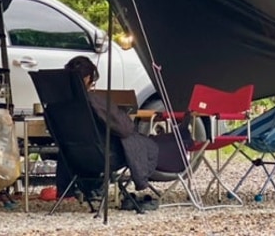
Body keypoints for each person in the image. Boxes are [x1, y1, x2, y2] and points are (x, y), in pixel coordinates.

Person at [55, 55, 194, 198]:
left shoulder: (57, 103)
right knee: (148, 145)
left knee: (146, 143)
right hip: (107, 157)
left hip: (74, 157)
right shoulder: (95, 101)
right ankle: (181, 144)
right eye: (93, 80)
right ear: (87, 78)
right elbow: (125, 129)